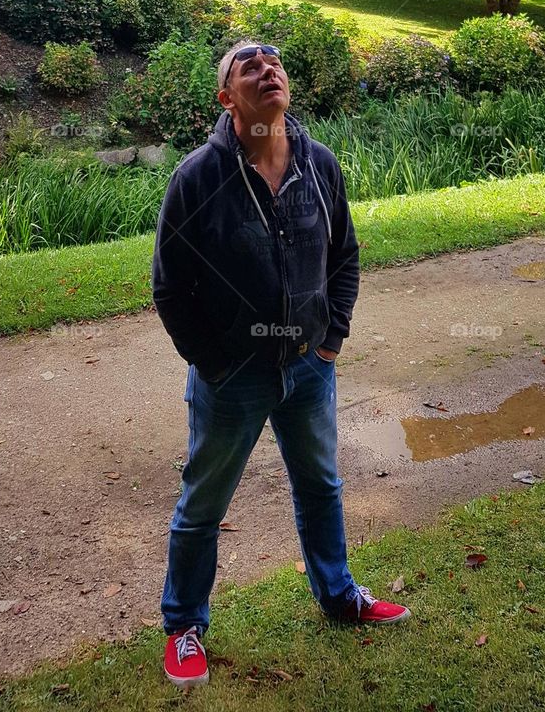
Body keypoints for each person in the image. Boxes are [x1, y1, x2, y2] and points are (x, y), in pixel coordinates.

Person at [152, 39, 410, 688]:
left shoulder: (319, 165)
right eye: (249, 65)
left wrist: (331, 341)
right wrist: (211, 362)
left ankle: (338, 595)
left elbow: (344, 256)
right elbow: (169, 286)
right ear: (226, 97)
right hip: (232, 379)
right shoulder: (197, 179)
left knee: (321, 487)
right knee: (203, 504)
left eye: (274, 62)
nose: (268, 68)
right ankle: (184, 627)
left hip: (308, 369)